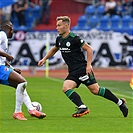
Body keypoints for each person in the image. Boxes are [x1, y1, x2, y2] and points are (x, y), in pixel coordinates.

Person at [38, 16, 128, 118]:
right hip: (73, 71)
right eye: (56, 25)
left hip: (82, 69)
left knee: (94, 90)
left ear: (66, 26)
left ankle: (119, 103)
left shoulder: (74, 38)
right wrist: (44, 59)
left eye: (59, 25)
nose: (56, 28)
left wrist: (89, 65)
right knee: (71, 88)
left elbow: (89, 49)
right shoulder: (59, 39)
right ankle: (84, 106)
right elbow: (54, 49)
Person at [0, 20, 46, 120]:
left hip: (2, 67)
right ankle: (18, 112)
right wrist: (7, 55)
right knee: (22, 82)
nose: (13, 32)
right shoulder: (2, 34)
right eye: (12, 29)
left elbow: (2, 59)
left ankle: (31, 109)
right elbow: (3, 57)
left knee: (19, 85)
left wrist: (12, 69)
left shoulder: (3, 37)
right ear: (9, 27)